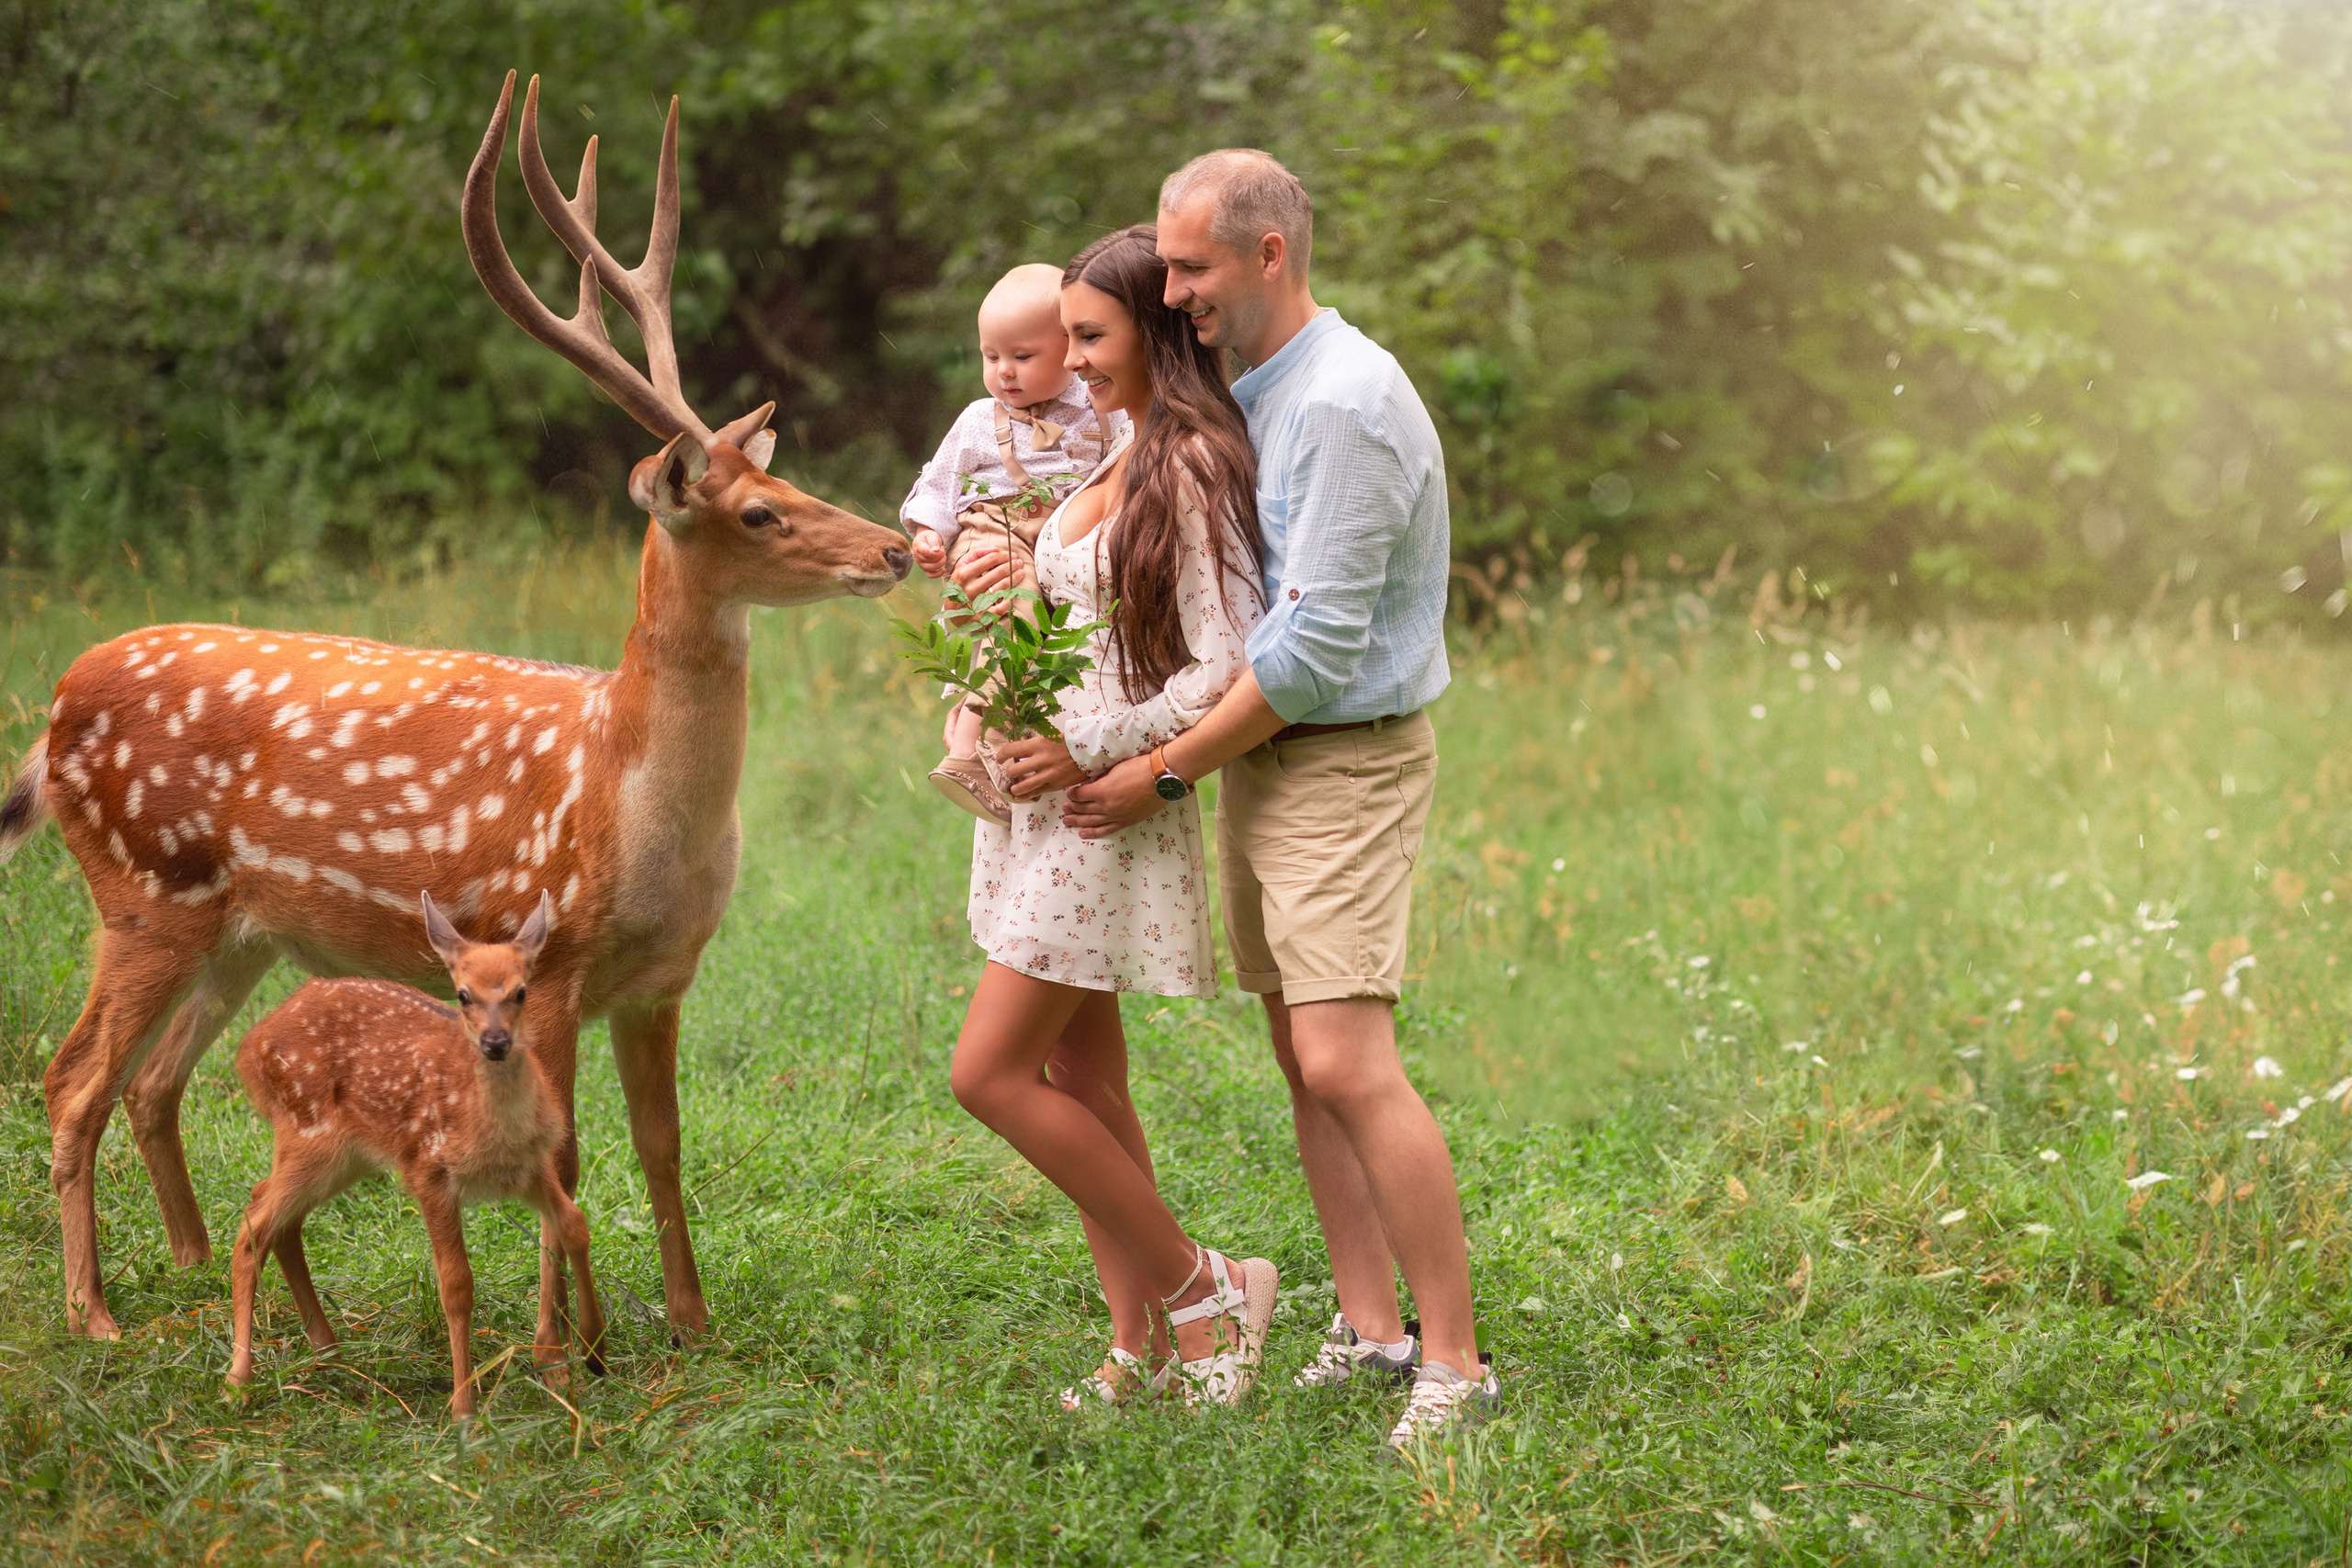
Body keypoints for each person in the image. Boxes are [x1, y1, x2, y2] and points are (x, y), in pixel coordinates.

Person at [1060, 151, 1499, 1450]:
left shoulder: (1344, 402)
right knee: (1296, 1054)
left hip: (1341, 752)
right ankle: (1370, 1328)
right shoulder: (1259, 382)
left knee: (1345, 1055)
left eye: (1190, 267)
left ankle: (1457, 1366)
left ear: (1267, 256)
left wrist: (1160, 768)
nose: (1172, 290)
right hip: (1270, 753)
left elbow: (1307, 653)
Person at [944, 225, 1277, 1408]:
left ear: (1152, 330)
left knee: (985, 1073)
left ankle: (1209, 1292)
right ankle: (1138, 1345)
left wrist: (1084, 740)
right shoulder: (1117, 454)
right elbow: (1072, 621)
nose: (1069, 358)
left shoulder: (1189, 465)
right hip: (1041, 800)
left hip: (1103, 806)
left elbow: (1224, 664)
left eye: (1091, 335)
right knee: (1086, 1088)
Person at [902, 264, 1123, 827]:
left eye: (1022, 356)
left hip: (1058, 536)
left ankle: (992, 741)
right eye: (990, 355)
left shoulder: (1102, 410)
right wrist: (930, 535)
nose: (1003, 372)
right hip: (995, 528)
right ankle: (978, 745)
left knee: (1031, 613)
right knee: (1012, 604)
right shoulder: (980, 420)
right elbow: (937, 484)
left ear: (1069, 348)